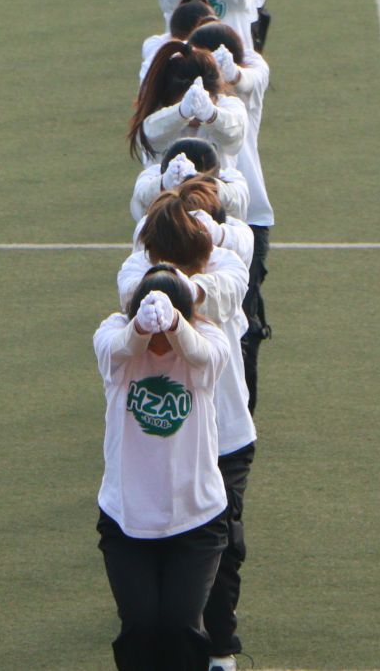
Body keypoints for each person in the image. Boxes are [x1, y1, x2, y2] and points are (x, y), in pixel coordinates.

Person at [95, 263, 233, 670]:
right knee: (139, 626)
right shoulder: (114, 336)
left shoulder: (208, 340)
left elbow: (201, 353)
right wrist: (140, 328)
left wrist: (174, 325)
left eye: (167, 330)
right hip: (127, 519)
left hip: (195, 519)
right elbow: (118, 348)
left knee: (179, 626)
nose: (160, 344)